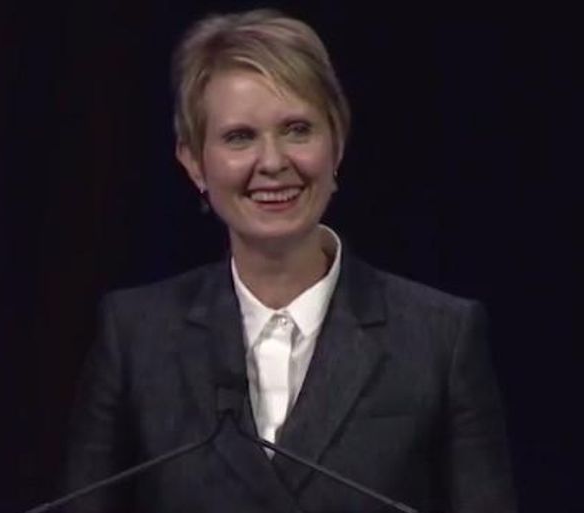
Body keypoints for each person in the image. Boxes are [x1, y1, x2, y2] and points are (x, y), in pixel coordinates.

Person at [64, 8, 517, 513]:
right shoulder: (136, 335)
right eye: (240, 137)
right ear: (194, 161)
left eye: (297, 129)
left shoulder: (440, 339)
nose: (274, 162)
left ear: (337, 142)